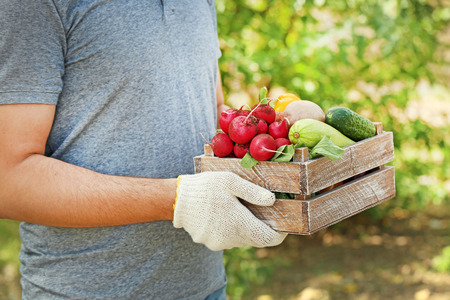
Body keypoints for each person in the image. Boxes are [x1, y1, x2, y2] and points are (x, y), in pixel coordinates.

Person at [0, 1, 287, 299]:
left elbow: (211, 112)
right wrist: (176, 199)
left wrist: (277, 140)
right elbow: (8, 180)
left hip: (206, 288)